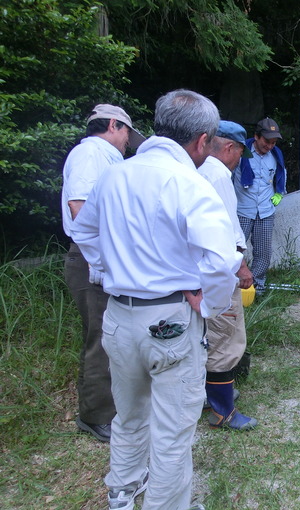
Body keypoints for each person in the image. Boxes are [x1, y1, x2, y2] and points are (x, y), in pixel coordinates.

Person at [71, 90, 241, 510]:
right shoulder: (190, 183)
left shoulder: (115, 174)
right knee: (172, 430)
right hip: (170, 320)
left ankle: (122, 496)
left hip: (118, 317)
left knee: (128, 417)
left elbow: (83, 232)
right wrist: (210, 305)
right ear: (203, 141)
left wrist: (112, 270)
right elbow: (222, 261)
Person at [61, 104, 145, 442]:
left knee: (114, 336)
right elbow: (79, 207)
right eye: (126, 133)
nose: (128, 141)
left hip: (107, 258)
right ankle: (95, 415)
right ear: (112, 125)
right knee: (100, 338)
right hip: (91, 260)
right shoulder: (89, 153)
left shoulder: (108, 158)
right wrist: (102, 258)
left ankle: (115, 406)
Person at [197, 120, 258, 431]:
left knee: (211, 337)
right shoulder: (218, 175)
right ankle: (222, 410)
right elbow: (225, 228)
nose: (239, 160)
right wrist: (241, 265)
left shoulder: (197, 171)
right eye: (239, 153)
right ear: (230, 148)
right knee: (226, 340)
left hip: (201, 274)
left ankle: (209, 395)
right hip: (219, 273)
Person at [233, 117, 287, 295]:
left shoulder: (276, 155)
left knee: (263, 254)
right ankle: (232, 287)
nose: (270, 146)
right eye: (267, 141)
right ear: (256, 136)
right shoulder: (241, 153)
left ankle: (256, 287)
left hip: (265, 211)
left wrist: (280, 192)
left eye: (273, 142)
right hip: (242, 210)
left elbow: (281, 175)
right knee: (235, 251)